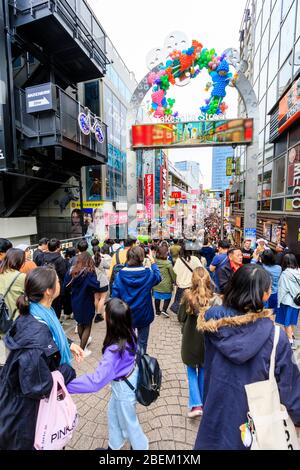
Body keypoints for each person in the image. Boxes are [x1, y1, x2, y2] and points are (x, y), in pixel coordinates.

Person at [194, 264, 300, 450]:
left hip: (216, 407)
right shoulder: (275, 336)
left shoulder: (212, 322)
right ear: (265, 295)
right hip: (254, 418)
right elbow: (290, 386)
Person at [0, 267, 83, 450]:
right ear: (48, 291)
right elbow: (39, 385)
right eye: (58, 281)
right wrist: (67, 372)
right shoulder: (37, 335)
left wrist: (67, 343)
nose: (60, 283)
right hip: (29, 417)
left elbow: (48, 336)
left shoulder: (35, 312)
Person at [67, 298, 148, 450]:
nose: (103, 312)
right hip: (129, 379)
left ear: (111, 320)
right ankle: (114, 446)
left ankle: (141, 448)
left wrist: (66, 386)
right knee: (114, 415)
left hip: (124, 389)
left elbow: (95, 381)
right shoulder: (131, 330)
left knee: (130, 424)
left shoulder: (113, 351)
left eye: (106, 310)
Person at [178, 267, 221, 418]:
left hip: (190, 339)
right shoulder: (216, 299)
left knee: (191, 370)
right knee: (203, 369)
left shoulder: (187, 296)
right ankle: (203, 402)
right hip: (208, 340)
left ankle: (196, 405)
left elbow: (181, 318)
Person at [111, 246, 161, 353]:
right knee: (142, 342)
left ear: (128, 257)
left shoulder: (120, 275)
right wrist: (153, 262)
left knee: (128, 342)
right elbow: (158, 277)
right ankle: (140, 362)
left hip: (126, 316)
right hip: (144, 314)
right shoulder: (148, 274)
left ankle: (129, 362)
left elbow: (115, 297)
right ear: (142, 258)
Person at [64, 252, 103, 356]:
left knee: (80, 323)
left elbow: (65, 286)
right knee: (88, 325)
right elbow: (96, 286)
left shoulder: (72, 270)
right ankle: (82, 350)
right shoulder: (89, 272)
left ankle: (83, 345)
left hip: (75, 300)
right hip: (87, 301)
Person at [0, 248, 26, 366]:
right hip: (16, 322)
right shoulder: (21, 277)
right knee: (19, 355)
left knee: (8, 351)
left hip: (2, 321)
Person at [277, 253, 300, 350]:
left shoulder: (285, 273)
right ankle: (291, 336)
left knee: (287, 323)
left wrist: (278, 302)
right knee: (291, 321)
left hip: (287, 301)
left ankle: (291, 342)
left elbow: (282, 289)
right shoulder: (299, 271)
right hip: (297, 301)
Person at [170, 245, 202, 314]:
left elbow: (175, 271)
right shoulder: (195, 259)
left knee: (180, 304)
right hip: (192, 286)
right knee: (191, 303)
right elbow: (201, 270)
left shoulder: (179, 260)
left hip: (181, 286)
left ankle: (181, 316)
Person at [42, 239, 67, 319]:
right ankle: (56, 320)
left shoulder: (43, 256)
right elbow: (63, 273)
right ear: (58, 247)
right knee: (57, 305)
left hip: (45, 283)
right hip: (57, 284)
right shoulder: (59, 259)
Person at [252, 250, 281, 314]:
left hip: (264, 294)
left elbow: (250, 268)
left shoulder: (261, 268)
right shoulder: (279, 268)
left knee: (263, 313)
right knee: (272, 313)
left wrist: (254, 259)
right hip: (275, 294)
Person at [153, 245, 176, 318]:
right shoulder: (168, 263)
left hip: (156, 283)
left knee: (157, 297)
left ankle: (157, 311)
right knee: (168, 297)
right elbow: (172, 274)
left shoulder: (154, 262)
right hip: (166, 284)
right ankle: (164, 309)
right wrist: (174, 281)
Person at [93, 247, 110, 323]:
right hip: (103, 281)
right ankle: (99, 314)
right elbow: (109, 266)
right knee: (102, 298)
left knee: (96, 298)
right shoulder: (102, 259)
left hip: (94, 282)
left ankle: (97, 312)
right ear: (100, 251)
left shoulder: (90, 260)